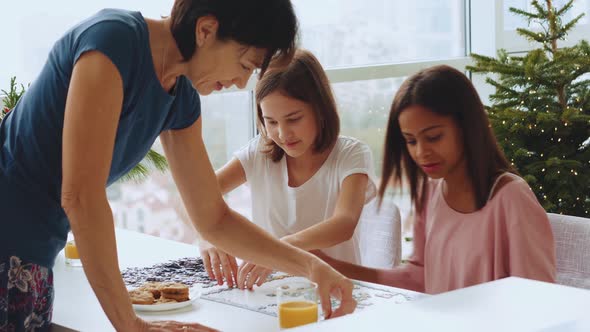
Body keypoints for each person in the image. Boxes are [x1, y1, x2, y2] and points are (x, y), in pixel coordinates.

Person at [0, 1, 356, 330]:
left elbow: (213, 218)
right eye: (245, 63)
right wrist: (132, 325)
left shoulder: (180, 98)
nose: (241, 82)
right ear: (206, 30)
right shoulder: (113, 41)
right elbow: (81, 197)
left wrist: (312, 267)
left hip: (34, 253)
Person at [316, 65, 556, 295]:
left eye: (433, 137)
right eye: (411, 141)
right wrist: (329, 265)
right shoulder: (429, 194)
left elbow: (538, 300)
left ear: (466, 126)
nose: (421, 152)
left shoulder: (511, 198)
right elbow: (417, 280)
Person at [199, 50, 377, 290]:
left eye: (293, 119)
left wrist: (278, 251)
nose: (283, 134)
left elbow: (344, 224)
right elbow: (195, 196)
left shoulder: (351, 154)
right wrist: (207, 235)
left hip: (336, 289)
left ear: (320, 109)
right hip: (270, 292)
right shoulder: (258, 153)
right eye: (271, 122)